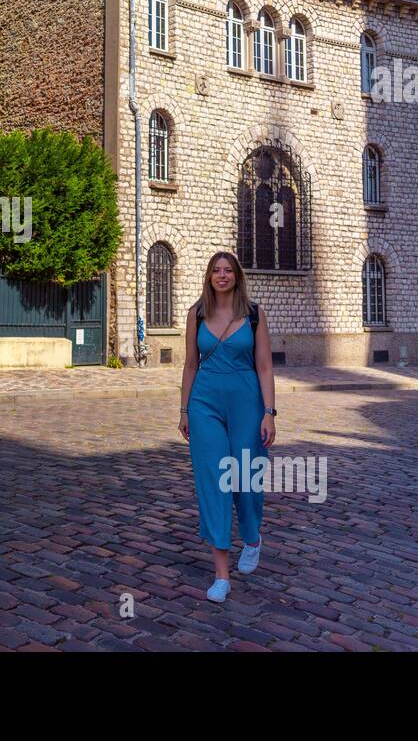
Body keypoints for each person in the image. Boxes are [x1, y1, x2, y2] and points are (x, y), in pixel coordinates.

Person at [178, 251, 278, 602]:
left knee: (246, 479)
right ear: (208, 276)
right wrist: (184, 410)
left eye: (228, 270)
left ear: (237, 276)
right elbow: (191, 365)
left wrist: (269, 412)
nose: (222, 276)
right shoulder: (196, 314)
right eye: (216, 270)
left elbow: (265, 366)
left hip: (248, 404)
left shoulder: (253, 315)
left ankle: (252, 537)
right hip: (205, 403)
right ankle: (221, 574)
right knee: (213, 482)